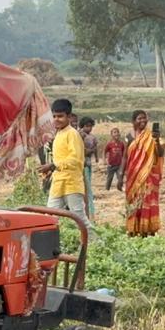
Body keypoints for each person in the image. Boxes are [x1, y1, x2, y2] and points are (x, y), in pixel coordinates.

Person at [37, 99, 95, 232]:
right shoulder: (59, 134)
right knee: (50, 216)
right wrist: (51, 170)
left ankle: (96, 242)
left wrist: (53, 165)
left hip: (71, 183)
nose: (57, 119)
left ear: (69, 116)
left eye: (60, 116)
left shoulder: (72, 134)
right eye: (54, 116)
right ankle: (51, 243)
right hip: (58, 182)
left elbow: (75, 160)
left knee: (79, 218)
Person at [124, 110, 164, 236]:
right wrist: (120, 176)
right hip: (133, 176)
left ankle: (148, 230)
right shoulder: (129, 137)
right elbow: (125, 156)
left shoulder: (151, 136)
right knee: (134, 201)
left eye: (144, 118)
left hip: (148, 177)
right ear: (133, 121)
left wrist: (157, 140)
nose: (142, 121)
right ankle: (133, 229)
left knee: (147, 201)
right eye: (139, 118)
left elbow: (160, 153)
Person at [78, 116, 98, 216]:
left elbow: (95, 148)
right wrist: (89, 151)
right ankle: (89, 211)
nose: (89, 128)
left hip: (88, 163)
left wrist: (95, 155)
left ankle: (89, 211)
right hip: (82, 164)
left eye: (90, 126)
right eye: (87, 126)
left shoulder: (92, 137)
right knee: (86, 188)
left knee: (88, 185)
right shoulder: (80, 135)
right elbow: (81, 150)